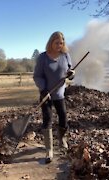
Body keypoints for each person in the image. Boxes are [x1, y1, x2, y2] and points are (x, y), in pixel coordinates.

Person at [33, 31, 75, 163]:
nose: (59, 45)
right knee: (48, 119)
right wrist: (44, 89)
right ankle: (49, 150)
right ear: (51, 42)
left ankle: (62, 140)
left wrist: (71, 74)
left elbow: (70, 71)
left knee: (63, 116)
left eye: (61, 43)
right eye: (56, 42)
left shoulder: (65, 55)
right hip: (46, 95)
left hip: (60, 93)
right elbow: (37, 76)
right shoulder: (43, 58)